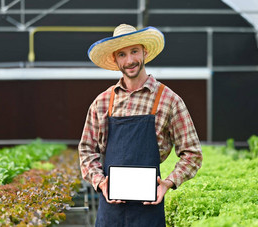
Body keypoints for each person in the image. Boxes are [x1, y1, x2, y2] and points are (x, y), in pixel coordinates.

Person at [78, 24, 203, 227]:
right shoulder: (101, 103)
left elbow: (192, 153)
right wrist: (101, 182)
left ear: (144, 52)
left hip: (149, 208)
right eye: (122, 54)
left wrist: (169, 183)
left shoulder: (169, 100)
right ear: (115, 59)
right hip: (111, 210)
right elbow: (86, 150)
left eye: (134, 51)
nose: (130, 60)